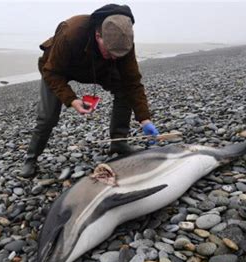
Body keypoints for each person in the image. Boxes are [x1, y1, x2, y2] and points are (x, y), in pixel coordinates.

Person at [20, 3, 159, 178]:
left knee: (125, 91)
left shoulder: (123, 42)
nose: (115, 57)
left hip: (100, 68)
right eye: (110, 52)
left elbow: (133, 82)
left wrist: (144, 119)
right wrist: (72, 100)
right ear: (98, 35)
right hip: (59, 69)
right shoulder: (71, 32)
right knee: (47, 117)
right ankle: (31, 158)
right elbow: (51, 71)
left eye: (119, 55)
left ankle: (118, 142)